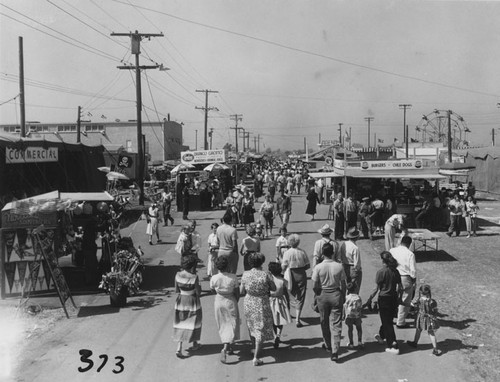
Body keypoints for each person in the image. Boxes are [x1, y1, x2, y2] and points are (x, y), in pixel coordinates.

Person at [311, 242, 347, 362]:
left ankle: (328, 345)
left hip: (323, 295)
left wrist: (316, 296)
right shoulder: (339, 266)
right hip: (336, 294)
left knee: (324, 321)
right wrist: (343, 295)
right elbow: (343, 284)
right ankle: (335, 351)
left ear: (322, 253)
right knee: (336, 324)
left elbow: (314, 285)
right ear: (332, 253)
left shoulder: (318, 267)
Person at [240, 252, 276, 366]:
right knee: (260, 328)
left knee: (251, 325)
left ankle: (253, 347)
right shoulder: (266, 274)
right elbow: (274, 287)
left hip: (249, 301)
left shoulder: (245, 274)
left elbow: (241, 291)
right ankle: (256, 357)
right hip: (261, 302)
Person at [365, 251, 403, 355]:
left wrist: (369, 299)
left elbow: (376, 288)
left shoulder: (381, 272)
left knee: (387, 323)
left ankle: (393, 344)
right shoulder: (396, 271)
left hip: (384, 299)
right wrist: (399, 299)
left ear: (383, 261)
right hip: (393, 298)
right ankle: (382, 336)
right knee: (388, 319)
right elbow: (400, 287)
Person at [210, 256, 241, 364]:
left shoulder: (214, 278)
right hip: (230, 300)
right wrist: (235, 300)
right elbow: (237, 293)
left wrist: (220, 294)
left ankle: (229, 346)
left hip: (219, 301)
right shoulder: (233, 277)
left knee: (223, 324)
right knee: (232, 323)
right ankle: (225, 347)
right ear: (228, 265)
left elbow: (212, 290)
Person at [173, 254, 202, 358]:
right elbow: (198, 292)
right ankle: (194, 343)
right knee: (194, 321)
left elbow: (176, 290)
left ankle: (179, 347)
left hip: (181, 300)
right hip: (192, 301)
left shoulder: (177, 275)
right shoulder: (194, 277)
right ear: (193, 266)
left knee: (181, 322)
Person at [281, 234, 310, 327]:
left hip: (290, 273)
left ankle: (288, 312)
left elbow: (284, 265)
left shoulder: (287, 253)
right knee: (300, 295)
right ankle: (298, 318)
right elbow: (307, 265)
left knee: (288, 292)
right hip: (301, 273)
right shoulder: (302, 252)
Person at [406, 284, 441, 356]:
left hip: (421, 317)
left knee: (418, 329)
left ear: (421, 292)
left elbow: (413, 305)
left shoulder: (419, 300)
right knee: (431, 333)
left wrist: (409, 303)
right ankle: (435, 349)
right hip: (430, 318)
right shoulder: (432, 301)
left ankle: (415, 343)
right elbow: (435, 310)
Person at [390, 236, 416, 328]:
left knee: (393, 298)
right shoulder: (410, 254)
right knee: (404, 300)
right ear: (409, 244)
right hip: (404, 277)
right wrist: (413, 280)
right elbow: (412, 270)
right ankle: (400, 321)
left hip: (392, 276)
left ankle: (391, 318)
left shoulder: (392, 251)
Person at [268, 261, 292, 349]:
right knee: (280, 320)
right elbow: (286, 292)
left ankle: (275, 336)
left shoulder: (269, 280)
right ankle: (278, 334)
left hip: (271, 300)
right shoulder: (283, 281)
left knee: (273, 320)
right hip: (281, 301)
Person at [343, 281, 364, 349]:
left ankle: (351, 343)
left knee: (350, 329)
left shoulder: (347, 297)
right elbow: (360, 307)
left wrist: (344, 315)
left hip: (349, 316)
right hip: (357, 316)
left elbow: (345, 306)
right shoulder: (358, 297)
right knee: (359, 328)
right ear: (355, 289)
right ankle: (359, 341)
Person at [345, 227, 362, 294]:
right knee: (355, 288)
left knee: (348, 286)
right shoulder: (355, 248)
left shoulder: (344, 244)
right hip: (353, 268)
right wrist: (358, 271)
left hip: (345, 266)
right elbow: (357, 263)